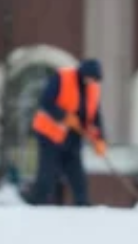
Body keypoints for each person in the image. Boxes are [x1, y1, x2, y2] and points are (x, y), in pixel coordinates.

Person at [26, 58, 107, 206]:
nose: (92, 81)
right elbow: (46, 101)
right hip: (49, 132)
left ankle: (82, 202)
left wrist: (100, 139)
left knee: (77, 172)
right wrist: (64, 116)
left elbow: (95, 115)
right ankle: (37, 202)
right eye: (90, 77)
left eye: (95, 79)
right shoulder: (62, 77)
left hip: (73, 136)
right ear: (82, 74)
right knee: (48, 171)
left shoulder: (93, 88)